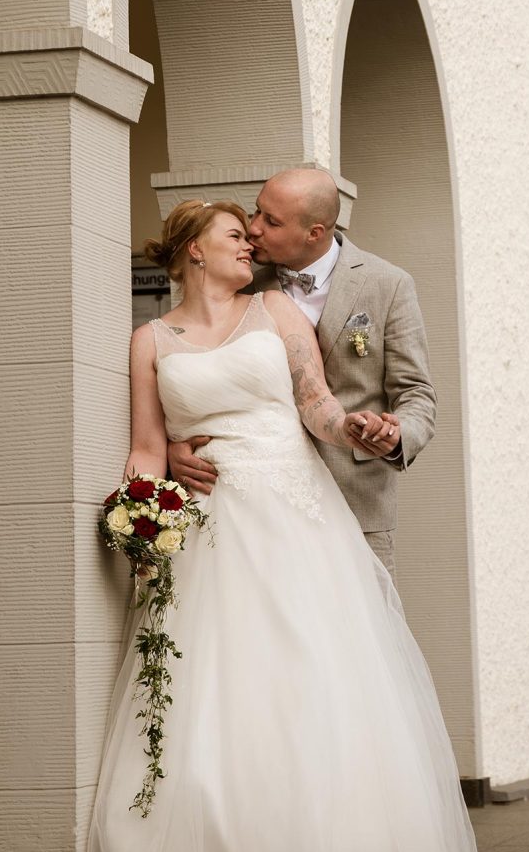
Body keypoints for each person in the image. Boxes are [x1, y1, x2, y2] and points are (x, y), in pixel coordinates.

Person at [87, 198, 480, 852]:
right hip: (209, 521)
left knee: (312, 673)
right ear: (192, 250)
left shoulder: (274, 311)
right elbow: (146, 442)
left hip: (297, 512)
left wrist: (360, 430)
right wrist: (141, 517)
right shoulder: (150, 339)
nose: (251, 246)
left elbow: (316, 405)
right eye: (236, 236)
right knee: (219, 686)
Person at [168, 167, 435, 581]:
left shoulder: (388, 284)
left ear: (314, 232)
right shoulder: (236, 284)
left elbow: (416, 393)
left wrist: (397, 434)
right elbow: (198, 377)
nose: (253, 228)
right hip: (258, 505)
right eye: (257, 212)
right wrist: (178, 447)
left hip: (356, 500)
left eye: (271, 222)